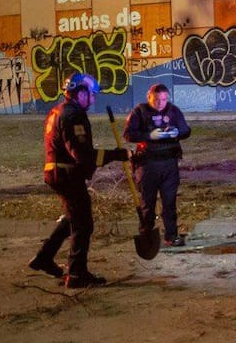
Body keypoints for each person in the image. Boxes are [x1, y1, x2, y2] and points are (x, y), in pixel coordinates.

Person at [28, 73, 129, 288]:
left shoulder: (57, 111)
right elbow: (82, 155)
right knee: (83, 223)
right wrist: (114, 155)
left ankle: (44, 257)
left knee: (72, 217)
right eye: (91, 95)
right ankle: (76, 274)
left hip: (55, 171)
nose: (93, 100)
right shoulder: (74, 115)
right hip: (67, 174)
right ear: (81, 93)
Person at [123, 83, 192, 247]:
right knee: (148, 203)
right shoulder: (140, 111)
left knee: (170, 202)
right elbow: (128, 134)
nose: (161, 103)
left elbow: (186, 130)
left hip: (169, 163)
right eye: (157, 100)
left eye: (164, 99)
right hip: (148, 165)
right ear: (149, 97)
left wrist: (178, 132)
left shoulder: (173, 111)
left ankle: (171, 236)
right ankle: (146, 236)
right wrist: (149, 135)